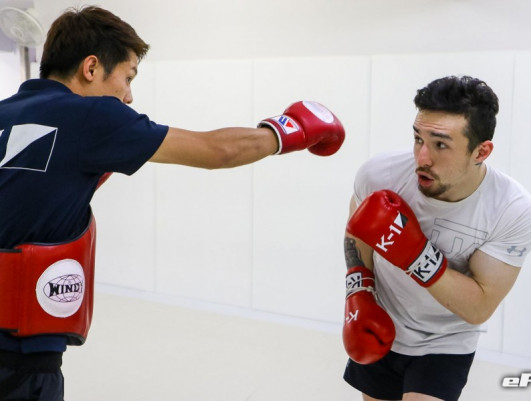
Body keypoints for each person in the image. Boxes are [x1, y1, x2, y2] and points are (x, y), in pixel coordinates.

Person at [0, 6, 344, 400]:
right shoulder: (92, 116)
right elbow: (217, 151)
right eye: (127, 77)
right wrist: (290, 131)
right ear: (91, 68)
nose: (129, 96)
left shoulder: (5, 111)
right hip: (19, 360)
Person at [341, 75, 531, 401]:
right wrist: (359, 292)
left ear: (481, 151)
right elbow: (357, 231)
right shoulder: (379, 175)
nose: (422, 158)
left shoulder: (512, 210)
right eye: (418, 139)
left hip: (446, 342)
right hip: (382, 323)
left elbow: (478, 307)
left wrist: (415, 254)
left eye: (441, 144)